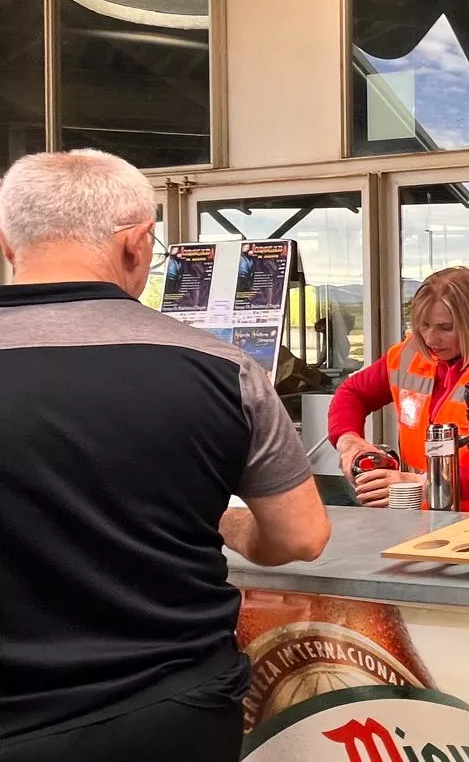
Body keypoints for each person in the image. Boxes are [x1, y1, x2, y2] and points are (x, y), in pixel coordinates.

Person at [0, 150, 330, 762]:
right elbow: (302, 536)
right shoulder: (221, 370)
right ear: (137, 243)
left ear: (8, 243)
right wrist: (226, 520)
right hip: (166, 712)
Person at [328, 267, 469, 512]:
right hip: (425, 513)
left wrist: (421, 484)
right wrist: (349, 441)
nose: (431, 339)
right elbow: (352, 393)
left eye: (445, 328)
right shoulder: (408, 354)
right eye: (424, 326)